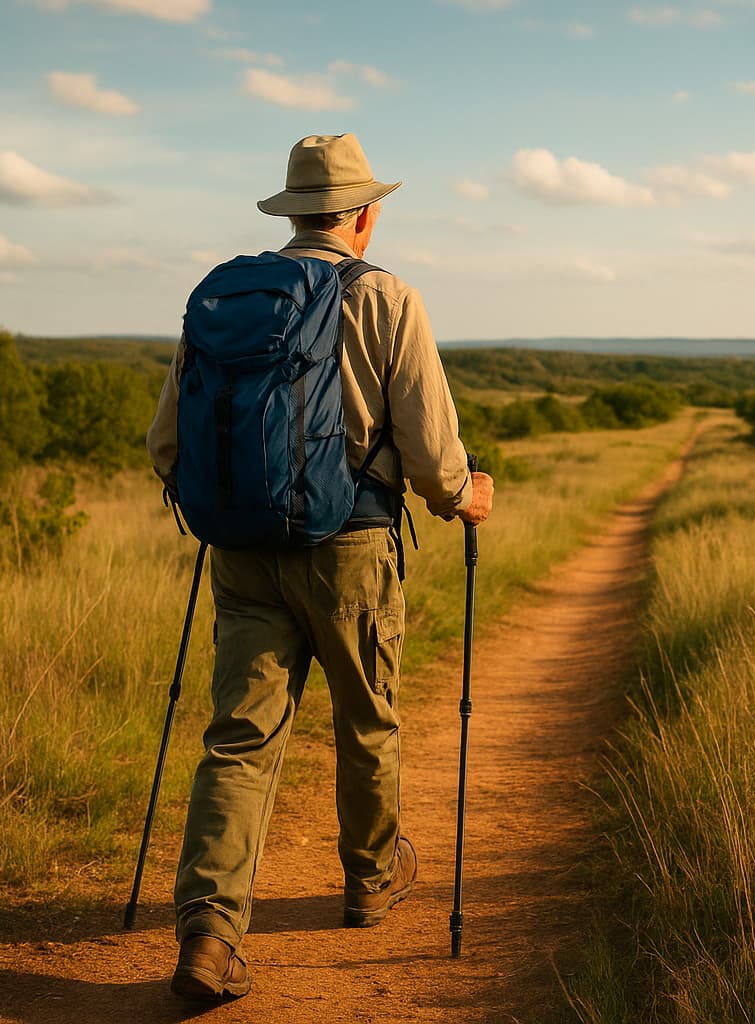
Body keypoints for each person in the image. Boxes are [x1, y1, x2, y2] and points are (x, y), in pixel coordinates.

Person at [144, 132, 495, 1001]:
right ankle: (371, 881)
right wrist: (464, 497)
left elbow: (165, 445)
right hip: (352, 550)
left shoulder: (230, 298)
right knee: (366, 720)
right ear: (365, 215)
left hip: (242, 553)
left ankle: (210, 934)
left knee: (239, 739)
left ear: (293, 212)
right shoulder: (388, 299)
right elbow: (430, 453)